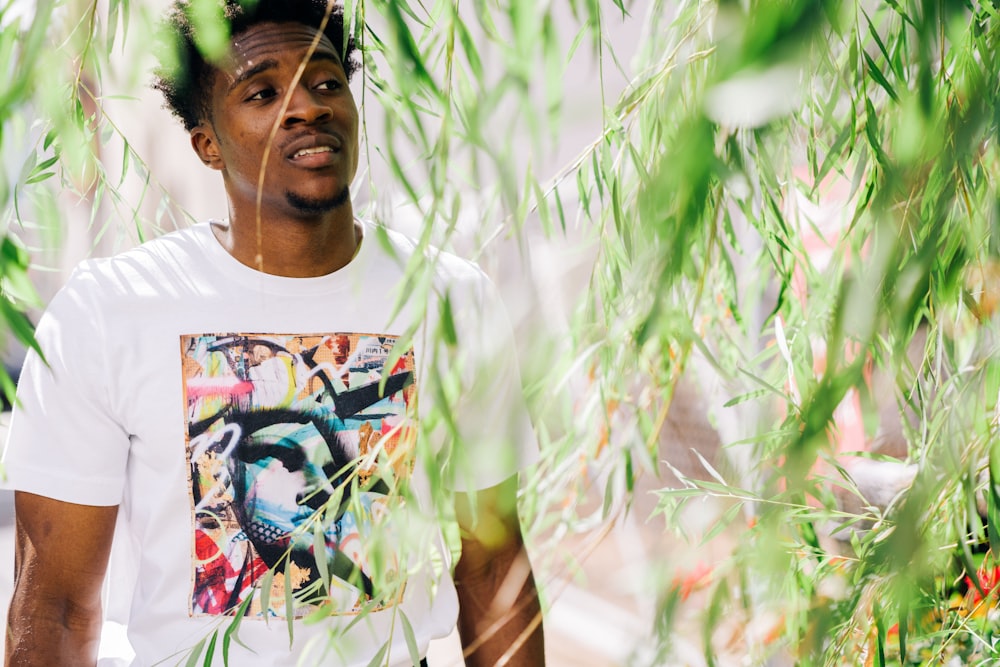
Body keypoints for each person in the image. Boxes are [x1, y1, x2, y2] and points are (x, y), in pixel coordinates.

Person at [2, 1, 545, 665]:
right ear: (208, 143)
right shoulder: (110, 314)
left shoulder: (452, 301)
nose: (307, 107)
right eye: (262, 92)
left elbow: (493, 570)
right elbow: (55, 604)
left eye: (325, 82)